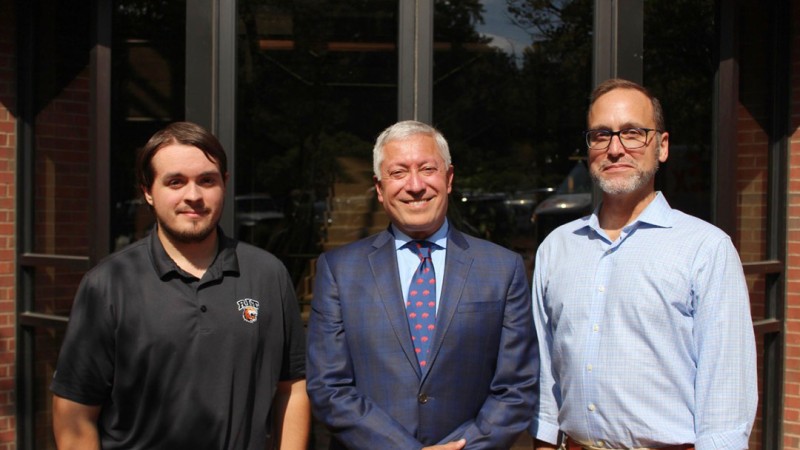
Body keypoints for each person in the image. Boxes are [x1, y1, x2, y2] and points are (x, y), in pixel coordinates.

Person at [50, 121, 310, 449]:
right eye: (175, 182)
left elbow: (292, 389)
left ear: (224, 184)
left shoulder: (267, 274)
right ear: (147, 191)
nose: (193, 195)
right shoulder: (109, 284)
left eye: (207, 180)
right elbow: (75, 413)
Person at [530, 79, 757, 450]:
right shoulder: (557, 248)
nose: (615, 149)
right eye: (601, 135)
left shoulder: (706, 249)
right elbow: (545, 370)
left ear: (662, 147)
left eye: (633, 133)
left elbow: (726, 392)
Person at [306, 120, 538, 449]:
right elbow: (328, 387)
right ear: (379, 188)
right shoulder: (340, 271)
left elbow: (517, 386)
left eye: (427, 169)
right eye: (399, 173)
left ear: (449, 178)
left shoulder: (502, 268)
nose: (415, 186)